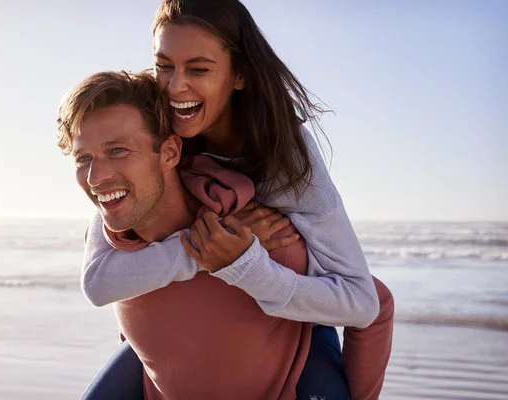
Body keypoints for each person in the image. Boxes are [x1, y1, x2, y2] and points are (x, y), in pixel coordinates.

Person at [69, 0, 394, 398]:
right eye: (164, 65)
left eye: (199, 69)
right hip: (184, 324)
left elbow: (363, 300)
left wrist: (243, 263)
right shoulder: (146, 124)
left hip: (291, 307)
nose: (174, 87)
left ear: (240, 74)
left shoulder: (285, 159)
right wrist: (205, 249)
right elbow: (100, 276)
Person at [59, 70, 336, 399]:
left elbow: (370, 304)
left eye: (118, 150)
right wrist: (205, 248)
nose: (96, 177)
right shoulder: (116, 230)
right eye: (83, 158)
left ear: (170, 153)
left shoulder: (268, 235)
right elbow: (97, 284)